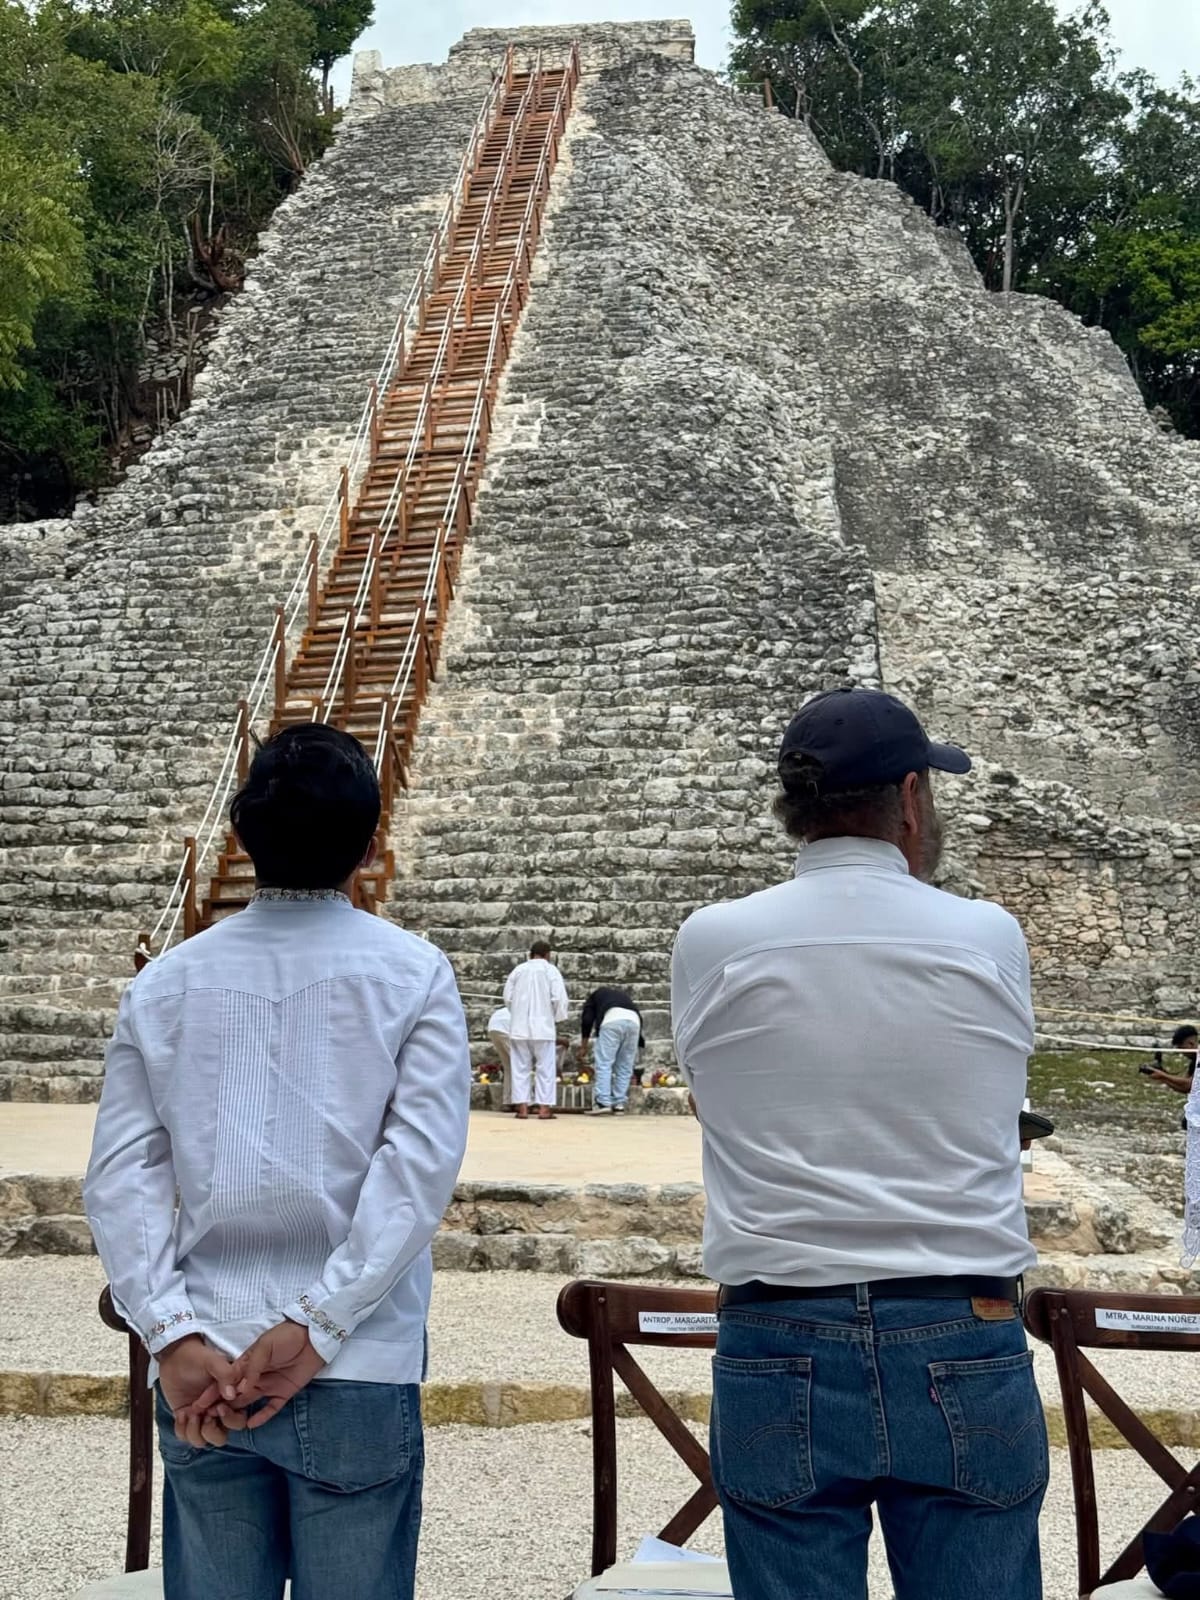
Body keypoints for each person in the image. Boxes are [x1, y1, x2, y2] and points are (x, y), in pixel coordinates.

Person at [672, 686, 1047, 1600]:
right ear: (911, 799)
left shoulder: (712, 942)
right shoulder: (989, 937)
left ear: (793, 808)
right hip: (963, 1323)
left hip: (776, 1325)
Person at [84, 724, 472, 1600]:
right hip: (355, 1359)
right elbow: (415, 1174)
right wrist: (319, 1323)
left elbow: (122, 1176)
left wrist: (170, 1332)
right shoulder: (412, 974)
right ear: (371, 844)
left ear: (243, 835)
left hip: (202, 1363)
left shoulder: (166, 982)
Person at [503, 940, 569, 1120]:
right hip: (543, 1027)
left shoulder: (518, 970)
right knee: (545, 1068)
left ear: (530, 954)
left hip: (519, 1026)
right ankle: (543, 1109)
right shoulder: (551, 971)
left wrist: (517, 1012)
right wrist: (553, 1018)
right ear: (548, 954)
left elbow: (507, 997)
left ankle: (523, 1107)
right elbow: (558, 999)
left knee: (520, 1067)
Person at [580, 986, 645, 1114]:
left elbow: (587, 1020)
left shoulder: (594, 997)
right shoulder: (621, 997)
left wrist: (584, 1046)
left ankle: (603, 1102)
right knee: (625, 1065)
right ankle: (619, 1103)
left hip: (611, 1020)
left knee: (604, 1062)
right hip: (635, 1022)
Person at [486, 1002, 514, 1107]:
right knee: (521, 1065)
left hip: (493, 1026)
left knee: (509, 1067)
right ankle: (529, 1102)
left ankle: (508, 1101)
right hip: (506, 1026)